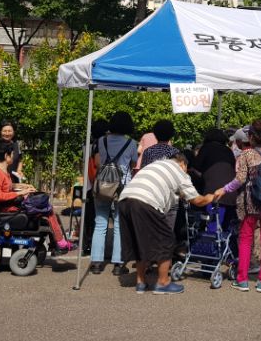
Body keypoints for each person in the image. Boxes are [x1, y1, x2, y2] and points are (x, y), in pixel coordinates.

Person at [117, 152, 218, 294]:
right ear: (183, 164)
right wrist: (211, 197)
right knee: (167, 240)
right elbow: (197, 200)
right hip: (146, 202)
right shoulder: (180, 173)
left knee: (140, 241)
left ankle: (141, 282)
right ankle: (163, 283)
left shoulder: (155, 164)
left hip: (125, 200)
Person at [220, 119, 261, 293]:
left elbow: (239, 179)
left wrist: (224, 189)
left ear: (252, 136)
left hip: (251, 203)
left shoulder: (246, 155)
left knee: (246, 240)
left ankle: (243, 280)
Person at [0, 144, 72, 252]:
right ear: (6, 156)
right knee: (47, 209)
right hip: (9, 209)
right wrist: (21, 193)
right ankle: (60, 243)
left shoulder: (3, 171)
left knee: (47, 207)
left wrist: (24, 186)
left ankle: (55, 242)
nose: (14, 157)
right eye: (12, 155)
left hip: (12, 205)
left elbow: (8, 187)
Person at [90, 111, 138, 275]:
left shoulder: (101, 141)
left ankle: (96, 262)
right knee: (119, 224)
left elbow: (98, 162)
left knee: (100, 222)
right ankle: (118, 264)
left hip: (102, 186)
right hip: (122, 187)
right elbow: (132, 164)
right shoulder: (131, 143)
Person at [191, 128, 237, 209]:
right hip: (231, 194)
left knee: (212, 220)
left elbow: (196, 167)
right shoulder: (228, 150)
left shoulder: (206, 148)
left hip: (212, 195)